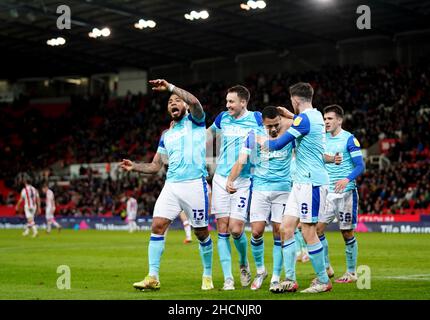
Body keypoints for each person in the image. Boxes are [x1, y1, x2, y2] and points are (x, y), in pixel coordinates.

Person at [121, 79, 213, 291]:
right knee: (157, 226)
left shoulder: (197, 121)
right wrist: (134, 166)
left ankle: (207, 275)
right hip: (171, 185)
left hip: (194, 185)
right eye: (170, 101)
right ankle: (153, 276)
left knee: (201, 232)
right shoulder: (166, 135)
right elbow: (155, 166)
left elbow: (196, 102)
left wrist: (171, 87)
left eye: (178, 100)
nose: (173, 102)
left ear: (185, 106)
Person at [260, 82, 332, 293]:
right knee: (286, 228)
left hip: (311, 182)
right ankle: (290, 279)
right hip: (301, 183)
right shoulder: (317, 115)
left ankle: (322, 281)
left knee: (308, 231)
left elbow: (278, 144)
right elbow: (302, 121)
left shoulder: (303, 120)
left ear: (295, 100)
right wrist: (290, 115)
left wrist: (258, 140)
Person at [227, 106, 294, 292]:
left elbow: (316, 130)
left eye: (276, 124)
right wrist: (230, 179)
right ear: (262, 122)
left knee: (279, 232)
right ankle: (261, 271)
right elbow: (241, 160)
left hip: (282, 189)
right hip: (260, 190)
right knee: (256, 232)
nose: (273, 129)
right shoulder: (253, 135)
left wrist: (291, 116)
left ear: (281, 120)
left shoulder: (291, 131)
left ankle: (275, 277)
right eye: (269, 126)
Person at [207, 85, 264, 290]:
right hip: (221, 178)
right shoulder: (223, 117)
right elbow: (208, 136)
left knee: (236, 229)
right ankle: (228, 278)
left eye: (231, 101)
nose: (227, 105)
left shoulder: (257, 118)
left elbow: (270, 136)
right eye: (227, 101)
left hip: (243, 179)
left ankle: (243, 262)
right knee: (222, 228)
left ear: (243, 102)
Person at [317, 104, 365, 283]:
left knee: (347, 233)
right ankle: (326, 267)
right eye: (324, 119)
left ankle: (351, 273)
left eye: (329, 119)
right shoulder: (322, 139)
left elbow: (360, 165)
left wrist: (346, 179)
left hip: (346, 193)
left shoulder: (349, 139)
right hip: (327, 192)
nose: (326, 122)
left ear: (339, 120)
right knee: (316, 229)